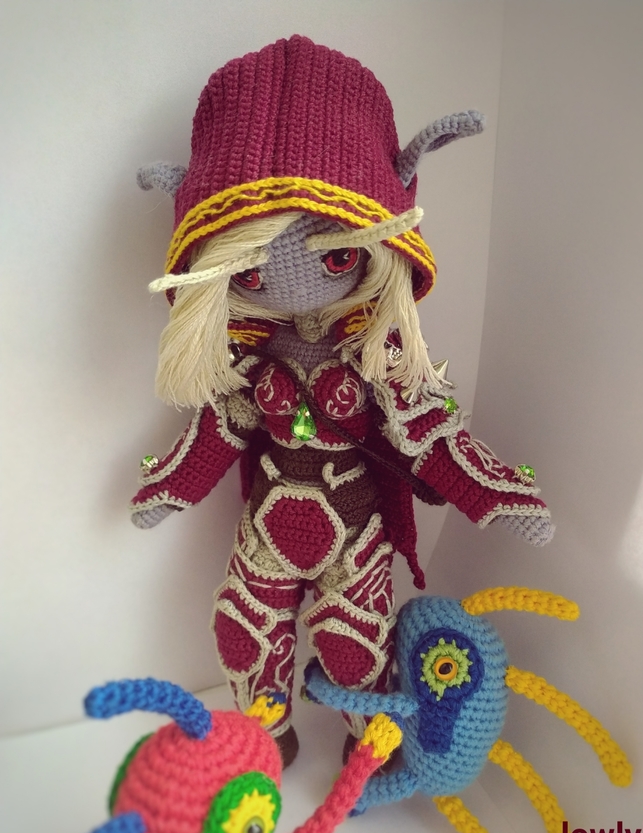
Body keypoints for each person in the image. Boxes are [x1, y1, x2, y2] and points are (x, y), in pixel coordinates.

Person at [131, 36, 553, 767]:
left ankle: (373, 745)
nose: (292, 287)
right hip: (267, 526)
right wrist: (169, 485)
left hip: (353, 532)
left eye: (335, 256)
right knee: (242, 631)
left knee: (357, 645)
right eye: (250, 271)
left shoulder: (377, 357)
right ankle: (266, 737)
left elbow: (433, 435)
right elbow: (216, 429)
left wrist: (497, 493)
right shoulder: (247, 360)